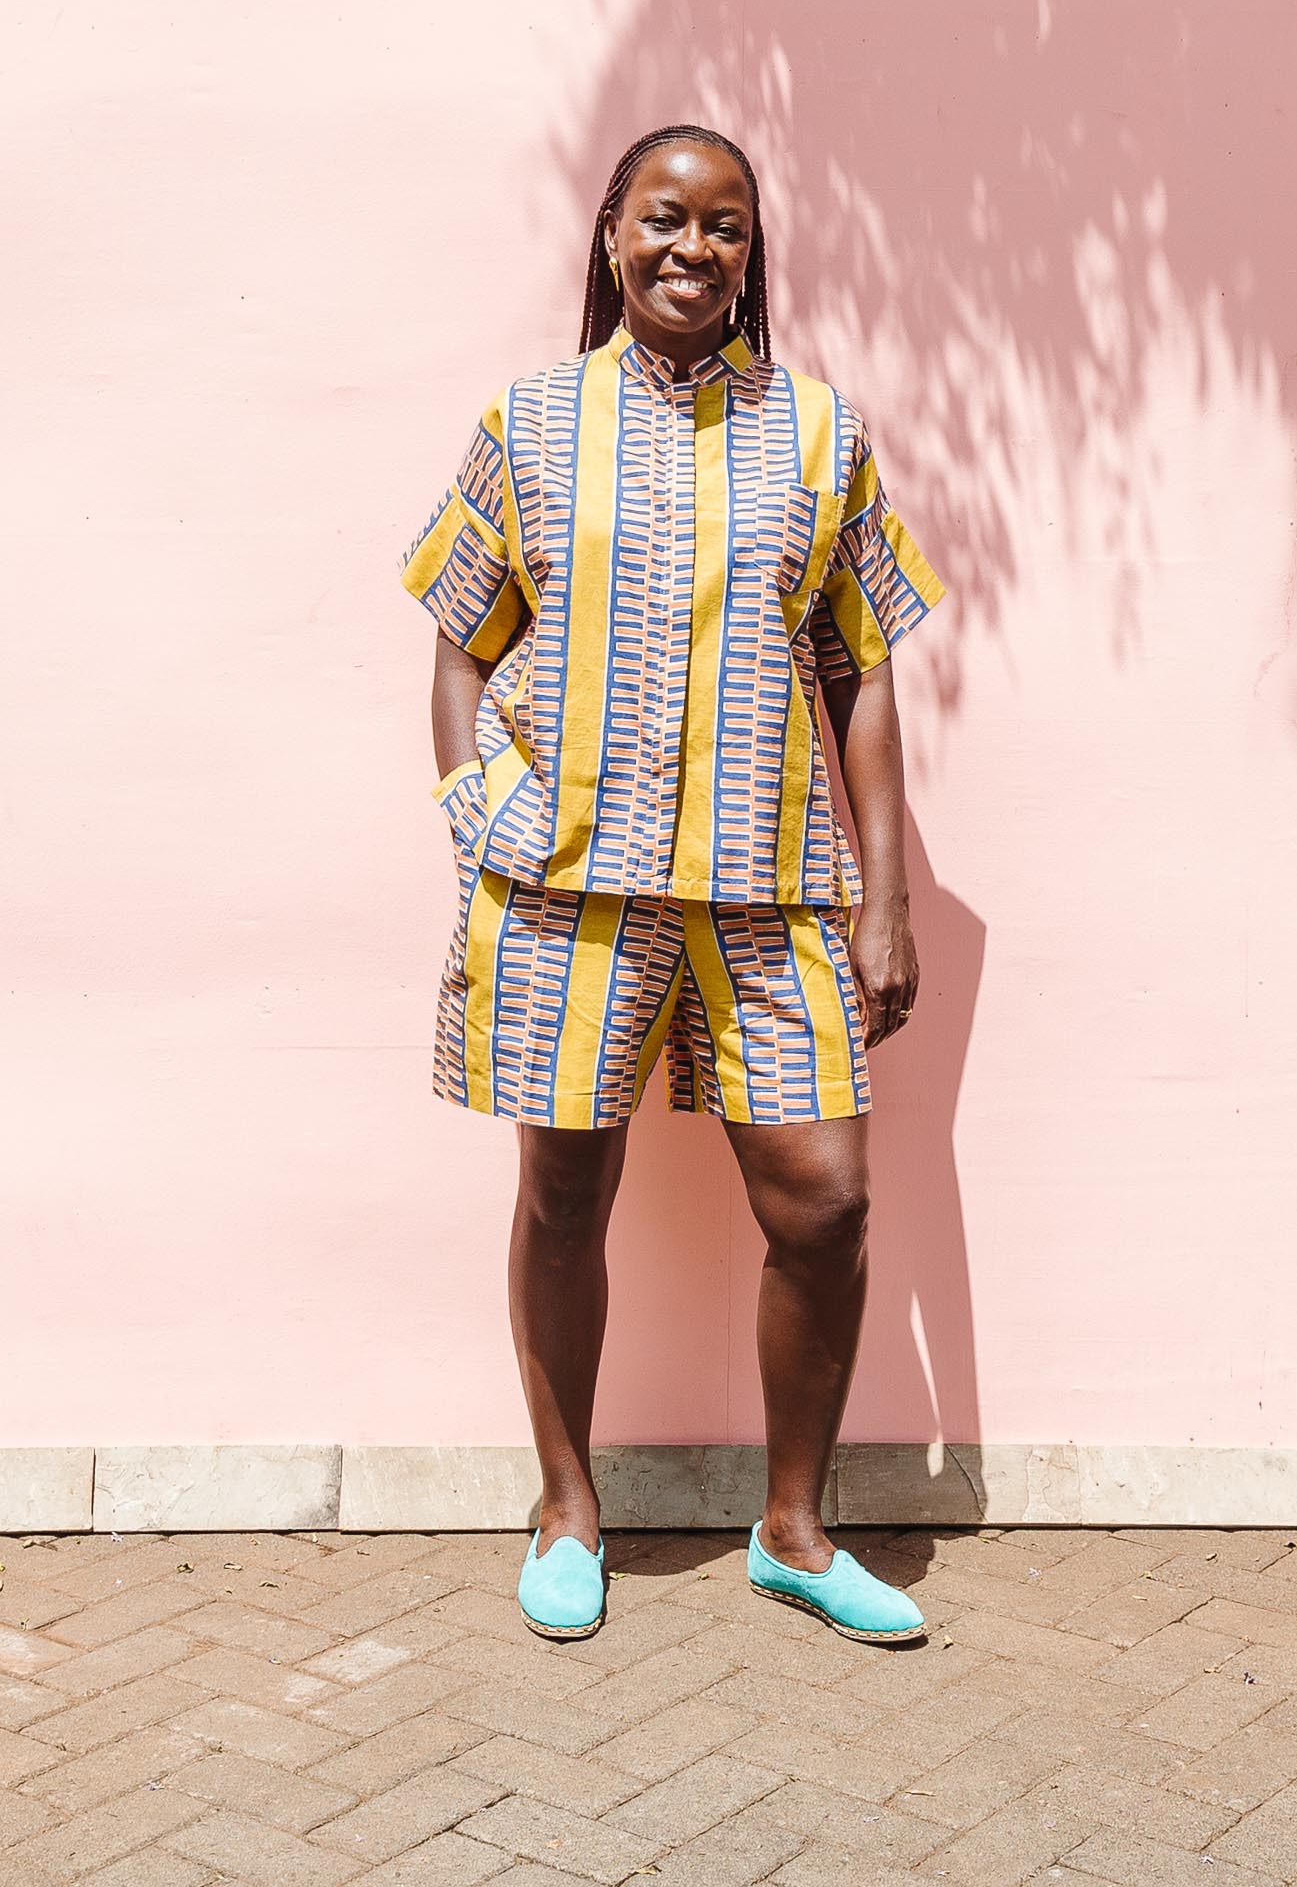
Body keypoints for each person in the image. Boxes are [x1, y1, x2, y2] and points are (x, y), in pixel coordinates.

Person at [399, 122, 947, 1644]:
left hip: (771, 894)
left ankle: (792, 1527)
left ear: (753, 256)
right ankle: (570, 1509)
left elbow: (865, 668)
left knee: (826, 1207)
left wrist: (886, 897)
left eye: (725, 229)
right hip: (568, 889)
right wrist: (481, 810)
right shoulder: (528, 422)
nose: (693, 250)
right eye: (665, 219)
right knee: (565, 1189)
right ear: (612, 236)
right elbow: (459, 638)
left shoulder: (822, 434)